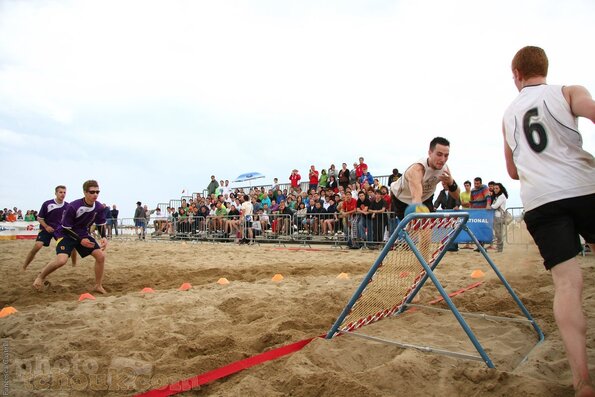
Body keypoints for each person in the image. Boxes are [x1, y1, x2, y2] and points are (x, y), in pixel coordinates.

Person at [503, 46, 595, 396]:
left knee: (567, 285)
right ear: (545, 67)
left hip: (542, 200)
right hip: (583, 187)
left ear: (517, 74)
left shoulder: (508, 114)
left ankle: (582, 381)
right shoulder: (568, 91)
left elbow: (512, 170)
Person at [32, 180, 108, 294]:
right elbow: (66, 228)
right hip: (66, 234)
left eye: (97, 192)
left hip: (82, 233)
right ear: (85, 192)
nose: (95, 195)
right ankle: (41, 276)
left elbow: (101, 223)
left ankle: (98, 285)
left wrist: (104, 237)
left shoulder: (99, 207)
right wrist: (81, 240)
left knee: (101, 256)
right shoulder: (74, 206)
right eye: (92, 192)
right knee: (61, 261)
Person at [390, 137, 460, 221]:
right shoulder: (417, 170)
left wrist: (451, 183)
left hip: (426, 197)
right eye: (439, 154)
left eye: (446, 155)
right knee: (414, 229)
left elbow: (456, 196)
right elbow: (416, 200)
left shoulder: (444, 169)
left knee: (427, 230)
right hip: (403, 199)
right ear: (430, 153)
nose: (442, 159)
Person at [23, 185, 77, 270]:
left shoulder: (68, 206)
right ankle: (24, 266)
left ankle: (74, 266)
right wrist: (46, 226)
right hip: (46, 228)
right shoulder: (47, 204)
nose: (63, 194)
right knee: (37, 246)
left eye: (64, 192)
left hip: (59, 230)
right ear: (56, 193)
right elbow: (39, 218)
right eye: (60, 192)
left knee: (73, 245)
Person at [490, 183, 508, 253]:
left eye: (497, 188)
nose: (495, 190)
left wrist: (490, 206)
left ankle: (500, 248)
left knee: (498, 233)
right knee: (497, 233)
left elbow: (495, 206)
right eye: (494, 188)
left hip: (499, 216)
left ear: (500, 188)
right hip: (496, 215)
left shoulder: (501, 196)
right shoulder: (497, 196)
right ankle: (499, 247)